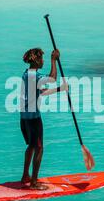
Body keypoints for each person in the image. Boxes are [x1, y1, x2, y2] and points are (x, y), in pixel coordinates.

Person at [20, 48, 68, 190]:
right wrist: (54, 60)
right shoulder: (35, 76)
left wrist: (61, 89)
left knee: (32, 146)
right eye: (42, 59)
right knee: (39, 148)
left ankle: (25, 176)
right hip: (33, 118)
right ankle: (34, 183)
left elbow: (43, 92)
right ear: (36, 60)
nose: (43, 61)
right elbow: (52, 78)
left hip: (24, 117)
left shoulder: (26, 74)